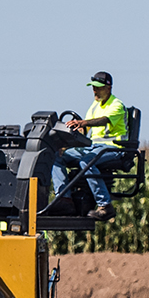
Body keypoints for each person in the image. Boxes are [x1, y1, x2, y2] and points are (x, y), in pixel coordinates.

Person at [52, 71, 129, 220]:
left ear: (109, 88)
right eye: (93, 87)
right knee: (57, 157)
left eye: (98, 87)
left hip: (114, 148)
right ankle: (64, 199)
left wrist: (84, 123)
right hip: (92, 147)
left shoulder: (117, 105)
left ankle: (105, 206)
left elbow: (103, 120)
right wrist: (71, 137)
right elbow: (85, 129)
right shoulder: (94, 105)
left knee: (87, 161)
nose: (95, 90)